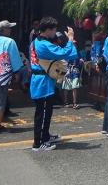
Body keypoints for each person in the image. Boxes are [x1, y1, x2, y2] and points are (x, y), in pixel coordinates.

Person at [30, 17, 77, 152]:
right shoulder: (43, 44)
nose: (55, 32)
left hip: (41, 80)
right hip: (42, 82)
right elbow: (64, 53)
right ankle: (38, 143)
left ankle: (45, 136)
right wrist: (70, 39)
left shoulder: (37, 41)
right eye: (54, 29)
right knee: (43, 112)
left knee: (46, 110)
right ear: (48, 30)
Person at [57, 32, 82, 109]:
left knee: (74, 87)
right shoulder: (67, 52)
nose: (74, 45)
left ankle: (74, 103)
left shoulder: (78, 53)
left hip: (75, 72)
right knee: (66, 87)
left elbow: (81, 60)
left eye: (75, 44)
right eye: (73, 44)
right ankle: (66, 102)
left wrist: (81, 61)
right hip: (67, 71)